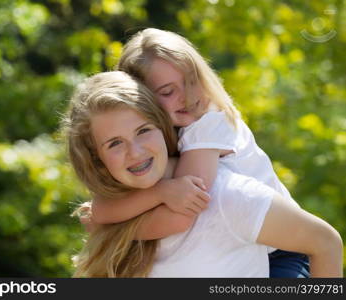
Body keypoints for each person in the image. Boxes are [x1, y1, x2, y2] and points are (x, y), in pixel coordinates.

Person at [63, 71, 343, 277]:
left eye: (143, 131)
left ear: (163, 127)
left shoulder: (226, 195)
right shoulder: (110, 216)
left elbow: (326, 243)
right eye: (114, 143)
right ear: (96, 159)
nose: (135, 152)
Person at [90, 28, 308, 277]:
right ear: (141, 101)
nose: (188, 96)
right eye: (168, 92)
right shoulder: (151, 139)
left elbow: (183, 214)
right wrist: (104, 215)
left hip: (281, 250)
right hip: (240, 248)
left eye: (192, 81)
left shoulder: (208, 122)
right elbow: (100, 209)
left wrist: (109, 228)